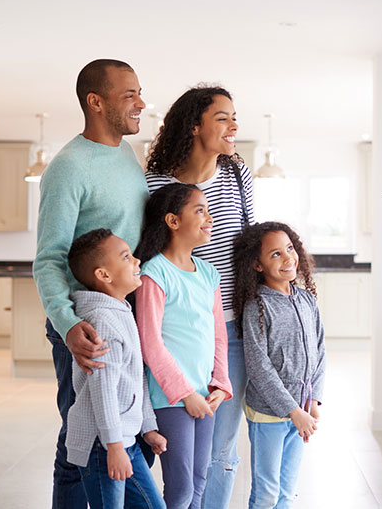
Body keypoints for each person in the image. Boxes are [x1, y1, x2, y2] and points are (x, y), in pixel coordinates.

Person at [33, 59, 149, 509]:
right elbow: (48, 258)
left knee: (112, 431)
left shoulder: (125, 153)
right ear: (95, 102)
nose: (140, 103)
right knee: (82, 437)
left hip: (123, 313)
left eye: (140, 92)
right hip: (86, 326)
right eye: (129, 95)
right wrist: (66, 325)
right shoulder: (67, 168)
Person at [144, 85, 254, 509]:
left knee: (220, 449)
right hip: (176, 334)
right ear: (194, 126)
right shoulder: (155, 183)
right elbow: (152, 251)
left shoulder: (236, 175)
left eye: (234, 116)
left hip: (231, 327)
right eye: (222, 117)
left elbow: (247, 242)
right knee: (174, 455)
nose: (233, 126)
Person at [133, 183, 233, 509]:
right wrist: (185, 393)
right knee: (180, 488)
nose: (209, 217)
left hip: (206, 395)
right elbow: (150, 343)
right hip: (172, 398)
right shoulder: (154, 273)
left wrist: (220, 383)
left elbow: (219, 335)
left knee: (200, 480)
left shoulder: (208, 273)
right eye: (199, 210)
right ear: (173, 221)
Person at [64, 228, 166, 509]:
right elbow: (103, 391)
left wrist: (148, 428)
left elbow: (136, 378)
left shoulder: (121, 311)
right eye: (126, 257)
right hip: (103, 445)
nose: (136, 262)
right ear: (104, 275)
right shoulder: (102, 321)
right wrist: (114, 447)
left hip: (124, 441)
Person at [232, 222, 325, 509]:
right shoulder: (257, 306)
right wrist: (293, 411)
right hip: (268, 415)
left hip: (301, 412)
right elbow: (259, 368)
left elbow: (320, 350)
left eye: (289, 248)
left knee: (287, 492)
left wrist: (313, 399)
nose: (288, 258)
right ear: (257, 265)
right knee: (267, 493)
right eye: (275, 254)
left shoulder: (307, 299)